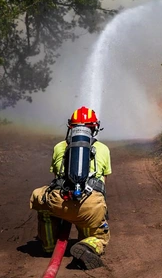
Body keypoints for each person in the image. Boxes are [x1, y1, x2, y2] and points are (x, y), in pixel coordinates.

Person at [29, 106, 112, 269]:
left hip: (59, 202)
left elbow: (57, 180)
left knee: (39, 196)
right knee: (98, 230)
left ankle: (49, 245)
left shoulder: (59, 147)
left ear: (70, 127)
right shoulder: (103, 149)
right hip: (89, 205)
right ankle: (88, 244)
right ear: (94, 128)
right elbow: (103, 185)